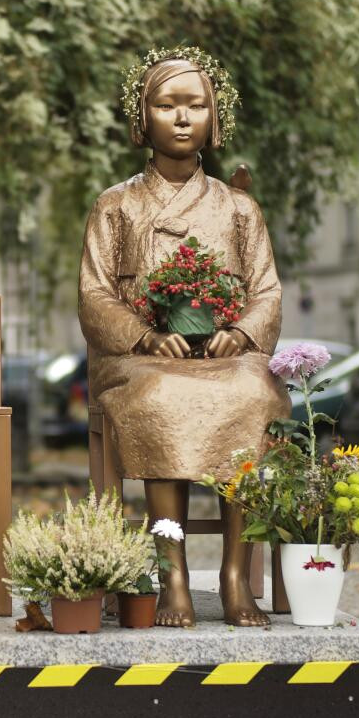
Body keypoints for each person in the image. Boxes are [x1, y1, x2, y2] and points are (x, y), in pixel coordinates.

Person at [78, 47, 289, 627]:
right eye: (166, 104)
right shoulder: (115, 205)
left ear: (214, 118)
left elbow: (266, 290)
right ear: (141, 117)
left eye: (195, 105)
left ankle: (231, 574)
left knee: (254, 395)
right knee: (162, 399)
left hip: (226, 360)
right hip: (138, 361)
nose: (180, 117)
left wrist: (240, 332)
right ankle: (170, 571)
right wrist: (145, 336)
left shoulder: (239, 208)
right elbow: (94, 295)